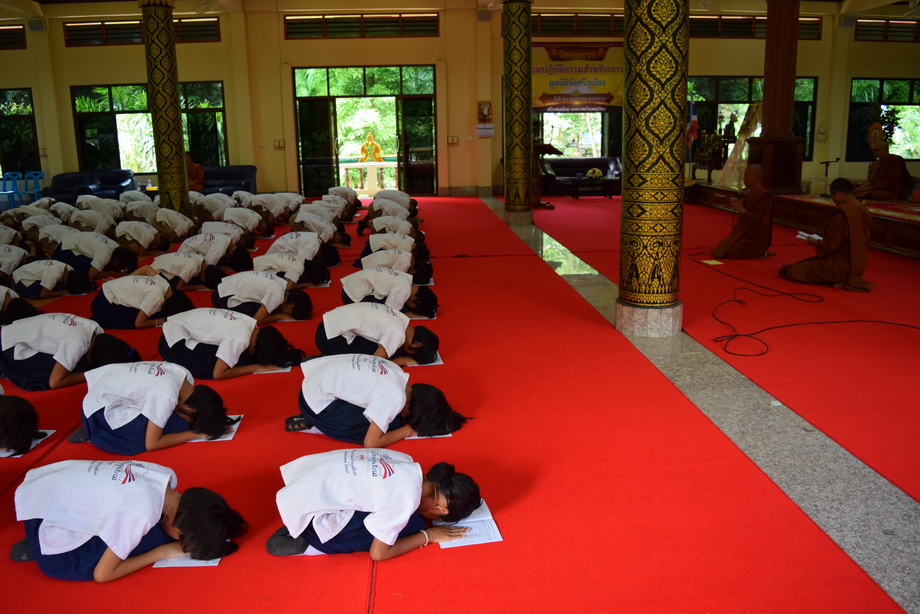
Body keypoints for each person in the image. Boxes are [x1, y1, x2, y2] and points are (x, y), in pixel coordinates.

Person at [11, 459, 247, 581]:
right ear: (180, 531)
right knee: (153, 538)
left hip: (43, 494)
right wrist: (162, 552)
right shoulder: (142, 512)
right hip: (55, 541)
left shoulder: (166, 476)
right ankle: (36, 545)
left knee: (149, 528)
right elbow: (102, 575)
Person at [266, 448, 479, 560]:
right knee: (410, 527)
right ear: (440, 510)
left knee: (394, 516)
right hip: (311, 508)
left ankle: (300, 521)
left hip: (303, 483)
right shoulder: (405, 500)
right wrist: (429, 535)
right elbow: (379, 554)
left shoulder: (407, 461)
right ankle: (310, 542)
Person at [284, 353, 464, 446]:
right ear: (410, 409)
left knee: (381, 415)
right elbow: (371, 443)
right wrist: (409, 430)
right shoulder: (396, 398)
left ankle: (319, 420)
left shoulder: (397, 372)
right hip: (317, 403)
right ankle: (319, 425)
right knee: (392, 424)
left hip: (310, 386)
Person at [71, 361, 238, 455]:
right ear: (191, 409)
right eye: (190, 418)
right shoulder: (167, 394)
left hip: (101, 395)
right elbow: (152, 444)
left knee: (170, 418)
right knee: (177, 426)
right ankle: (99, 433)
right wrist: (197, 433)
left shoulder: (183, 374)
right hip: (99, 413)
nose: (187, 419)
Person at [0, 313, 140, 391]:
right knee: (73, 370)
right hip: (12, 345)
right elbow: (55, 382)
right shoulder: (76, 343)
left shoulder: (96, 328)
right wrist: (97, 372)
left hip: (17, 330)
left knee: (73, 363)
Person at [779, 178, 874, 292]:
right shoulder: (864, 210)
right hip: (858, 266)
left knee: (791, 271)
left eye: (832, 197)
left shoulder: (842, 212)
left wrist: (815, 242)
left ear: (838, 194)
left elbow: (832, 245)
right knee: (805, 263)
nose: (834, 201)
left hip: (840, 266)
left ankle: (841, 278)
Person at [158, 307, 305, 380]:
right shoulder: (240, 338)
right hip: (172, 341)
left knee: (234, 357)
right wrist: (255, 367)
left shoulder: (251, 324)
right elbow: (218, 374)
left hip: (178, 325)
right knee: (238, 362)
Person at [315, 303, 439, 366]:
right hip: (329, 338)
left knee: (389, 348)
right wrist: (402, 361)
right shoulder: (397, 333)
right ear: (417, 344)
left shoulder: (401, 317)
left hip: (328, 324)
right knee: (391, 354)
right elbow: (374, 363)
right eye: (412, 353)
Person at [711, 164, 773, 259]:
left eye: (747, 176)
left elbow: (758, 220)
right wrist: (739, 205)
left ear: (756, 177)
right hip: (744, 232)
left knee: (731, 251)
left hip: (755, 236)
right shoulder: (750, 191)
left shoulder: (763, 195)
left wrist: (742, 209)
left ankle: (761, 251)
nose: (744, 178)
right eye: (744, 175)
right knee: (721, 247)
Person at [90, 274, 194, 329]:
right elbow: (139, 323)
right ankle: (102, 319)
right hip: (104, 304)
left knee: (151, 311)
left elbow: (146, 268)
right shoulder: (157, 297)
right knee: (150, 317)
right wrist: (165, 320)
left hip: (107, 290)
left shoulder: (165, 284)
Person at [212, 270, 312, 323]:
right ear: (290, 305)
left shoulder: (284, 285)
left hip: (225, 286)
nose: (287, 314)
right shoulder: (277, 294)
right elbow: (257, 320)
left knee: (269, 308)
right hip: (222, 297)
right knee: (262, 313)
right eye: (289, 313)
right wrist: (281, 316)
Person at [341, 266, 438, 318]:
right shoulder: (403, 290)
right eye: (416, 308)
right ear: (417, 300)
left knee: (399, 305)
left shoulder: (408, 281)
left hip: (350, 287)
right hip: (353, 297)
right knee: (397, 312)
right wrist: (409, 314)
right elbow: (388, 314)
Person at [54, 231, 138, 280]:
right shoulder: (105, 254)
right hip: (66, 248)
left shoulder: (116, 247)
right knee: (90, 269)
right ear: (117, 260)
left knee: (103, 266)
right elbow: (92, 275)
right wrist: (112, 272)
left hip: (74, 240)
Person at [11, 259, 93, 299]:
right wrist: (65, 292)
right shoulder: (54, 274)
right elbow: (43, 295)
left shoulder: (69, 268)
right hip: (22, 280)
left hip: (25, 271)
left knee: (56, 286)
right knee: (57, 289)